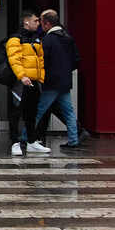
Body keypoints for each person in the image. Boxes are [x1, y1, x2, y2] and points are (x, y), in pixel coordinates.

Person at [32, 9, 82, 151]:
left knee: (39, 110)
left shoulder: (48, 39)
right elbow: (76, 59)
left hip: (51, 82)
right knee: (69, 112)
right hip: (65, 81)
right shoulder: (68, 37)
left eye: (41, 22)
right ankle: (73, 140)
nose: (40, 25)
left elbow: (43, 61)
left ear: (47, 24)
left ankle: (26, 138)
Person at [4, 12, 46, 156]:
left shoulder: (36, 39)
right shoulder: (15, 39)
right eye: (36, 20)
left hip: (33, 82)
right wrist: (22, 76)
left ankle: (31, 142)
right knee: (15, 113)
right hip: (19, 83)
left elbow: (41, 60)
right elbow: (14, 59)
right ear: (26, 22)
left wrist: (40, 78)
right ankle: (14, 143)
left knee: (31, 113)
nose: (38, 23)